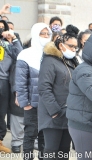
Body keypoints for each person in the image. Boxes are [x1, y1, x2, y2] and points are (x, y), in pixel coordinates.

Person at [38, 24, 79, 160]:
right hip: (53, 115)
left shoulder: (71, 61)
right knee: (51, 151)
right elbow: (44, 88)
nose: (73, 49)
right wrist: (55, 111)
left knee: (64, 151)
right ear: (61, 45)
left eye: (75, 47)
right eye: (71, 46)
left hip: (68, 114)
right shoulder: (49, 60)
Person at [16, 23, 52, 160]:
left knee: (44, 135)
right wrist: (25, 103)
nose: (46, 36)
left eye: (48, 34)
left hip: (47, 104)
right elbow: (20, 82)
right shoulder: (25, 54)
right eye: (42, 33)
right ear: (35, 34)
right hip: (32, 103)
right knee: (30, 134)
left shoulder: (51, 54)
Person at [0, 16, 22, 153]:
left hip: (3, 82)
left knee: (1, 113)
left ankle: (0, 140)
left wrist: (13, 39)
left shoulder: (8, 44)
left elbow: (20, 55)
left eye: (3, 27)